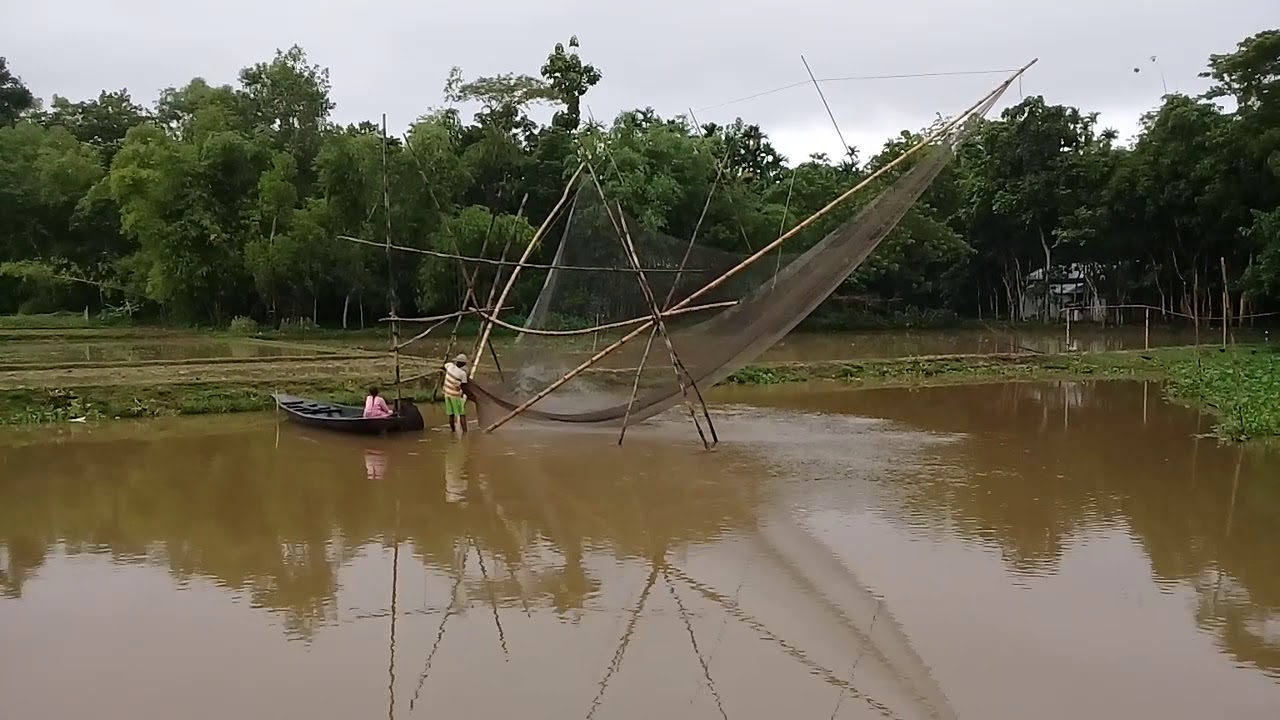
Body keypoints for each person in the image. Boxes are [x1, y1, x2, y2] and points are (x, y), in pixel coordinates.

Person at [442, 353, 471, 433]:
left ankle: (453, 431)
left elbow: (444, 367)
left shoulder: (449, 366)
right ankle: (465, 433)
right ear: (463, 364)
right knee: (461, 414)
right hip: (455, 396)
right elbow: (464, 386)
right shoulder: (462, 374)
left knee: (451, 414)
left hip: (447, 394)